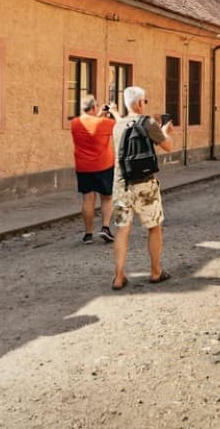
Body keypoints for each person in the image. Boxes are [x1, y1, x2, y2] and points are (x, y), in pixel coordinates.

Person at [110, 85, 173, 290]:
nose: (145, 104)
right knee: (154, 227)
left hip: (121, 184)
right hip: (145, 183)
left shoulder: (117, 126)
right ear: (139, 103)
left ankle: (119, 277)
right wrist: (164, 131)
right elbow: (168, 146)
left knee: (122, 231)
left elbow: (124, 123)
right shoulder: (148, 123)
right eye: (144, 101)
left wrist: (114, 113)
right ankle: (155, 271)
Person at [70, 94, 117, 244]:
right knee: (106, 197)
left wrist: (98, 115)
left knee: (88, 199)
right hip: (103, 165)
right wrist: (112, 112)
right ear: (93, 107)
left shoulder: (75, 123)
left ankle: (88, 234)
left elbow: (90, 124)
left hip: (83, 166)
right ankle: (105, 228)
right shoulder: (105, 123)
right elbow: (118, 126)